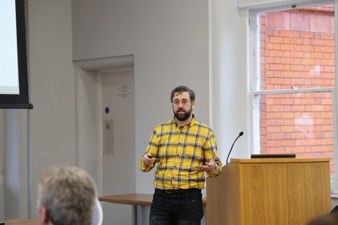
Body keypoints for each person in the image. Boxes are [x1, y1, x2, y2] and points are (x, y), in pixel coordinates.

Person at [140, 85, 222, 225]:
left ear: (193, 104)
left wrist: (211, 167)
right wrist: (146, 161)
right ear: (172, 104)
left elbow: (216, 168)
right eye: (176, 102)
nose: (180, 105)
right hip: (161, 199)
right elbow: (145, 164)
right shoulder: (160, 130)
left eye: (184, 101)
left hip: (189, 200)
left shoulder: (205, 132)